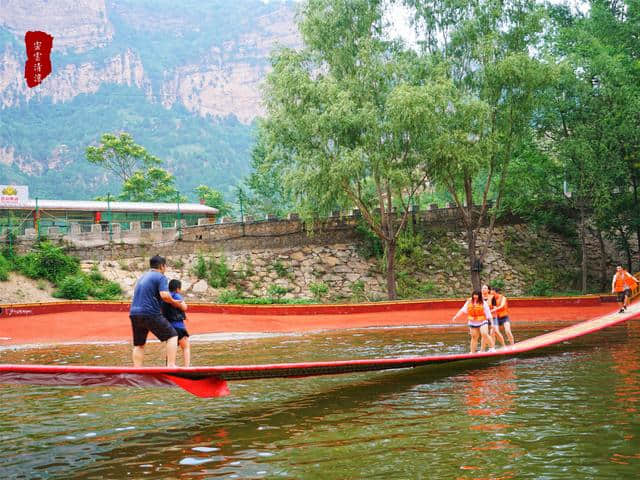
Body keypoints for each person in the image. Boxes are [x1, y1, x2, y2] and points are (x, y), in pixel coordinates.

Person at [129, 255, 184, 367]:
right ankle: (171, 365)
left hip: (134, 313)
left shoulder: (142, 277)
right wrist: (175, 302)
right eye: (165, 266)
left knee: (139, 344)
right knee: (172, 336)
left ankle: (137, 369)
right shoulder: (160, 277)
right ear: (162, 266)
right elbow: (164, 295)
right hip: (149, 312)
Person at [451, 289, 495, 353]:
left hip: (482, 321)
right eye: (474, 295)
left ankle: (492, 348)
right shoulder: (469, 302)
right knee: (474, 337)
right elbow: (462, 310)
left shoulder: (484, 303)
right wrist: (456, 316)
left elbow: (488, 314)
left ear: (479, 296)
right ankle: (472, 352)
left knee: (484, 333)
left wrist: (492, 324)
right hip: (472, 322)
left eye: (477, 295)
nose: (475, 297)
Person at [161, 279, 191, 367]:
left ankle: (168, 367)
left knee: (171, 347)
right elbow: (185, 307)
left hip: (168, 327)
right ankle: (187, 367)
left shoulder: (165, 297)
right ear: (178, 289)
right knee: (186, 347)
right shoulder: (176, 296)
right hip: (178, 326)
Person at [481, 284, 505, 349]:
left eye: (485, 288)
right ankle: (486, 349)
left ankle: (504, 346)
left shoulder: (492, 297)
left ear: (488, 290)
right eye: (482, 288)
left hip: (493, 317)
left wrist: (489, 312)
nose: (483, 289)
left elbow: (495, 308)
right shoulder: (480, 298)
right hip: (483, 318)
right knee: (484, 334)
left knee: (495, 332)